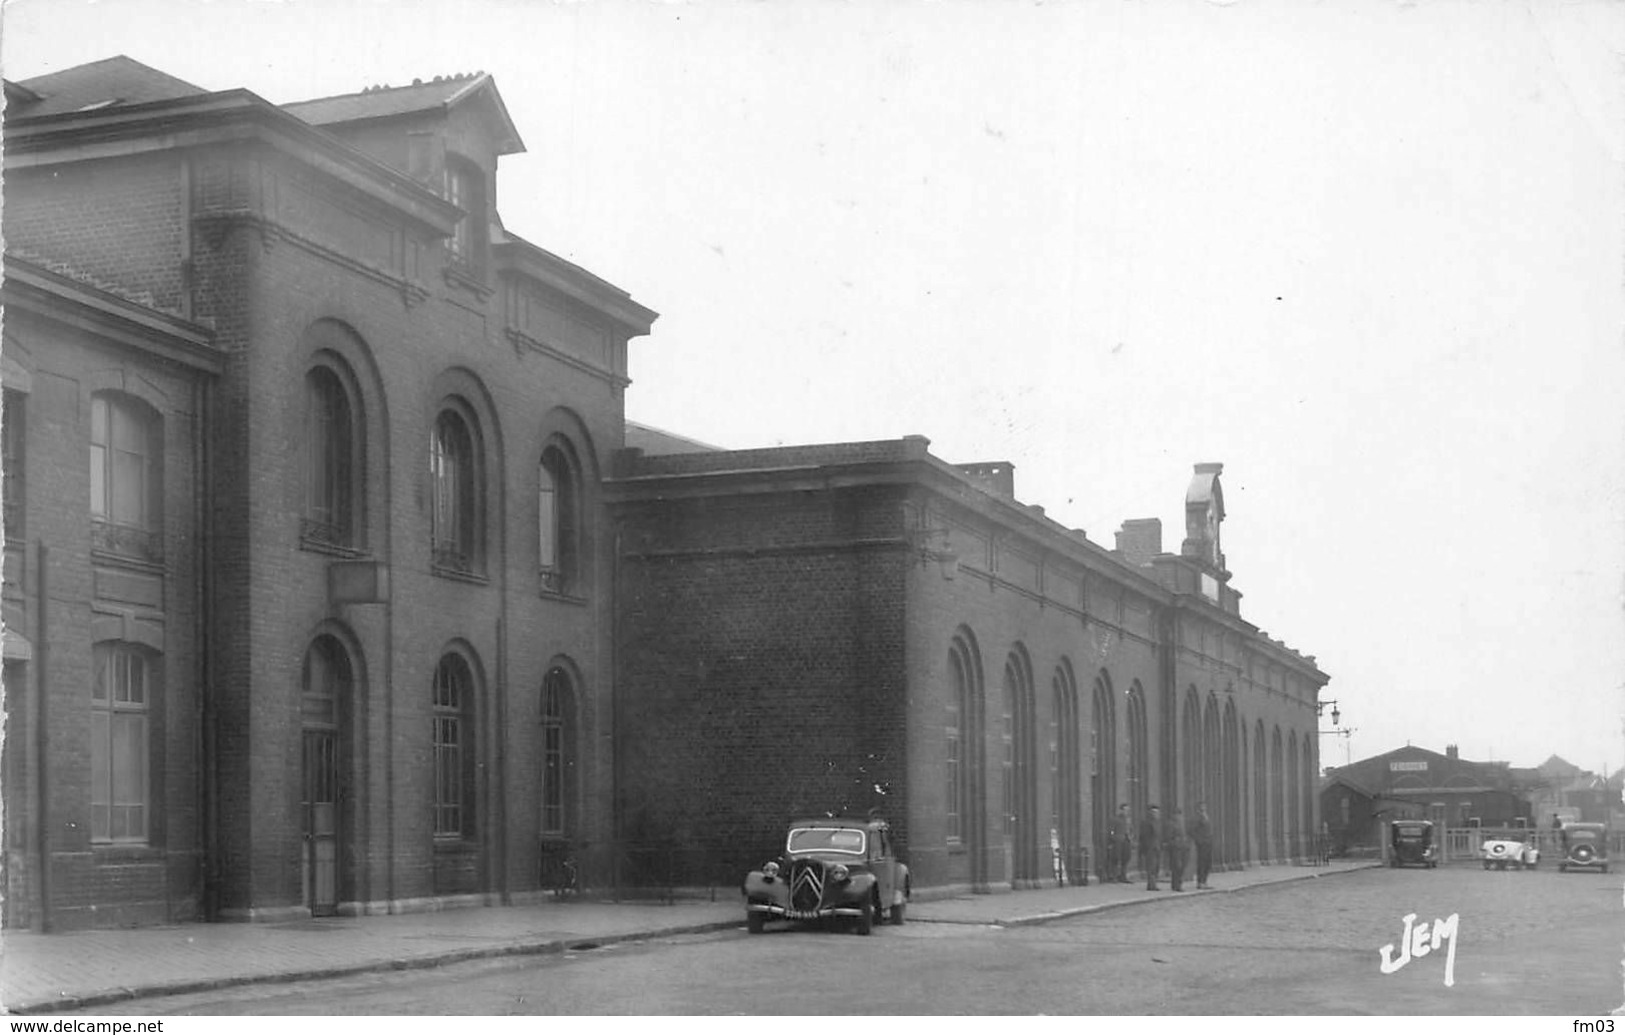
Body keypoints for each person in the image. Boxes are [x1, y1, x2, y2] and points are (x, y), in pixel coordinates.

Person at [1165, 806, 1190, 891]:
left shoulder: (1182, 824)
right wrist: (1174, 843)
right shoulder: (1171, 824)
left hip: (1183, 848)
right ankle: (1176, 885)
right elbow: (1168, 837)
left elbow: (1186, 835)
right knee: (1177, 867)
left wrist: (1186, 843)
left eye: (1179, 814)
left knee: (1182, 866)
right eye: (1176, 814)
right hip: (1175, 849)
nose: (1178, 816)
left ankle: (1178, 883)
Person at [1191, 802, 1215, 888]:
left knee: (1208, 863)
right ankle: (1200, 882)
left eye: (1204, 807)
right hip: (1202, 844)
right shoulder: (1197, 818)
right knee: (1202, 863)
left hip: (1208, 843)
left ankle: (1204, 881)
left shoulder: (1207, 817)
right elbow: (1192, 831)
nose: (1203, 809)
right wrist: (1199, 841)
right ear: (1198, 809)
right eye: (1201, 808)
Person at [1139, 805, 1162, 891]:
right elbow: (1144, 836)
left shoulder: (1158, 823)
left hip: (1157, 847)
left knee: (1156, 867)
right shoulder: (1146, 823)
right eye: (1154, 813)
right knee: (1151, 867)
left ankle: (1154, 883)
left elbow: (1159, 835)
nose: (1156, 814)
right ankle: (1151, 885)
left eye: (1157, 813)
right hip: (1150, 848)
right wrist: (1146, 847)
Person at [1110, 803, 1134, 883]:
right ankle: (1114, 876)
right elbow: (1112, 830)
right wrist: (1113, 837)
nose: (1126, 812)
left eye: (1128, 810)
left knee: (1126, 858)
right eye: (1125, 810)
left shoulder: (1128, 820)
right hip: (1118, 840)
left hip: (1126, 840)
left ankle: (1123, 876)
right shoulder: (1116, 819)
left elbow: (1131, 829)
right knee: (1116, 858)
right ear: (1121, 810)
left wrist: (1131, 837)